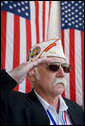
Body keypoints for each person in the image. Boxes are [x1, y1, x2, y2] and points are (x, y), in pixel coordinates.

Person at [1, 38, 84, 125]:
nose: (62, 74)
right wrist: (12, 76)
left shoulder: (77, 109)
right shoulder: (11, 104)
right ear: (32, 75)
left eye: (65, 67)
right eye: (54, 67)